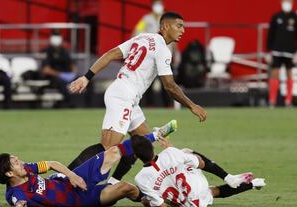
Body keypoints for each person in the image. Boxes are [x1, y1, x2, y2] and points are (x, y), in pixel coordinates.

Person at [70, 12, 207, 184]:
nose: (183, 30)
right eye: (179, 26)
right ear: (165, 27)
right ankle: (65, 177)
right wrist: (192, 105)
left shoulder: (142, 37)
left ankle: (112, 183)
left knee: (144, 146)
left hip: (126, 94)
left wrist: (87, 76)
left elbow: (112, 53)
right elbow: (169, 86)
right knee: (107, 148)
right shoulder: (163, 49)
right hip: (123, 95)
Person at [0, 121, 176, 207]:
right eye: (15, 163)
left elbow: (53, 164)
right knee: (126, 188)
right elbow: (19, 202)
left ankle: (155, 136)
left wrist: (72, 175)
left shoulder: (28, 169)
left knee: (111, 152)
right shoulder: (15, 194)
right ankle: (150, 199)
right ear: (8, 173)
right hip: (80, 199)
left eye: (18, 159)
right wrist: (20, 206)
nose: (20, 162)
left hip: (68, 180)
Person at [132, 135, 266, 207]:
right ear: (153, 146)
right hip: (197, 188)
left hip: (189, 205)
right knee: (187, 153)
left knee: (212, 191)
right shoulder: (170, 152)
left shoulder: (140, 178)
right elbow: (201, 163)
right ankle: (228, 177)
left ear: (136, 156)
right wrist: (173, 149)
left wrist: (149, 202)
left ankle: (253, 184)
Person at [133, 0, 179, 107]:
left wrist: (176, 52)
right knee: (148, 82)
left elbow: (173, 37)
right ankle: (149, 105)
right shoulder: (146, 19)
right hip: (150, 56)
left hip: (165, 55)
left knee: (167, 82)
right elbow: (136, 32)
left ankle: (169, 105)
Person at [266, 0, 297, 107]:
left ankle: (288, 101)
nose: (286, 4)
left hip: (290, 52)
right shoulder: (276, 17)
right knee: (274, 74)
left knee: (289, 74)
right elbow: (270, 35)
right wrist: (268, 51)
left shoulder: (296, 18)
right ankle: (272, 100)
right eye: (284, 1)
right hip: (277, 51)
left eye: (289, 2)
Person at [40, 29, 77, 107]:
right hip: (54, 77)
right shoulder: (47, 51)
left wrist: (73, 74)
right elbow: (46, 69)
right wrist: (60, 74)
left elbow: (72, 64)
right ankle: (70, 104)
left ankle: (88, 104)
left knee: (87, 80)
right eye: (55, 36)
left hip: (67, 74)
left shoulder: (64, 51)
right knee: (62, 83)